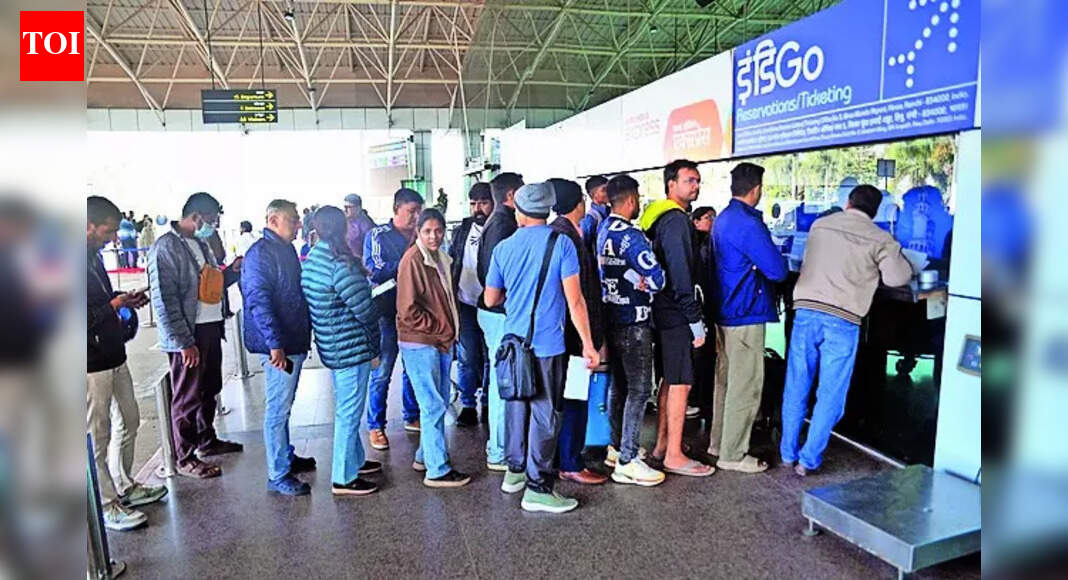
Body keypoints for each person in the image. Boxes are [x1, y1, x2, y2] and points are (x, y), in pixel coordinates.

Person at [484, 182, 600, 514]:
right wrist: (589, 344)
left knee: (516, 406)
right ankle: (538, 488)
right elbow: (575, 301)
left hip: (513, 344)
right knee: (545, 414)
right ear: (547, 210)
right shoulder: (561, 243)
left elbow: (491, 299)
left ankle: (515, 472)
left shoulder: (504, 248)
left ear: (519, 212)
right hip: (548, 344)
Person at [781, 185, 913, 476]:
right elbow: (896, 278)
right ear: (876, 211)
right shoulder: (880, 238)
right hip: (842, 318)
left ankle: (787, 454)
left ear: (848, 202)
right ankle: (807, 461)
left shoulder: (820, 225)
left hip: (806, 311)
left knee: (797, 383)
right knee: (830, 393)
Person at [148, 192, 244, 479]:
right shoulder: (166, 247)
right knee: (187, 395)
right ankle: (184, 456)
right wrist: (183, 342)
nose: (214, 225)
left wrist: (232, 272)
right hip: (188, 334)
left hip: (210, 326)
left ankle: (206, 439)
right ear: (196, 216)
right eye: (212, 219)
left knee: (209, 386)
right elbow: (165, 301)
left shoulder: (201, 243)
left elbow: (210, 284)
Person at [87, 196, 168, 531]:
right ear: (88, 225)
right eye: (107, 231)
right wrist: (112, 305)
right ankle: (106, 505)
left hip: (114, 353)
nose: (113, 239)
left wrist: (124, 300)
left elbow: (98, 301)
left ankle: (124, 484)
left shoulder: (93, 258)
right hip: (90, 363)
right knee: (97, 435)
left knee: (129, 420)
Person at [709, 162, 788, 474]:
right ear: (756, 189)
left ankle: (719, 443)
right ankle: (733, 454)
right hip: (745, 312)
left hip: (725, 310)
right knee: (745, 386)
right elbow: (777, 270)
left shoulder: (723, 218)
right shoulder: (748, 223)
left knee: (726, 382)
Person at [302, 206, 384, 496]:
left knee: (346, 407)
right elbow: (364, 310)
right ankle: (344, 477)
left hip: (332, 344)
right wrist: (376, 340)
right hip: (352, 347)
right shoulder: (341, 265)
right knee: (349, 414)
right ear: (343, 229)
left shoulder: (313, 258)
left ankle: (356, 460)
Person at [639, 159, 713, 477]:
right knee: (681, 381)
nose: (695, 186)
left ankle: (662, 446)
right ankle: (673, 455)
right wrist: (694, 319)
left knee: (670, 379)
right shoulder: (676, 221)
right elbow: (681, 274)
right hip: (676, 312)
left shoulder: (656, 217)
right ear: (671, 184)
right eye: (689, 180)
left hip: (661, 308)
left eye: (697, 180)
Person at [239, 199, 315, 496]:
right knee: (278, 408)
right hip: (278, 344)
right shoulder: (260, 254)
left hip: (290, 339)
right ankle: (278, 472)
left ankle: (285, 455)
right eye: (292, 219)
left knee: (284, 405)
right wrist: (275, 344)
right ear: (273, 221)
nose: (298, 225)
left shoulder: (285, 249)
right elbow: (258, 301)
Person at [597, 174, 667, 486]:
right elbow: (657, 279)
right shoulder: (632, 236)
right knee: (639, 390)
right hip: (635, 320)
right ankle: (628, 460)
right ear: (630, 200)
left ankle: (616, 447)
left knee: (619, 387)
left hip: (611, 315)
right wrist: (642, 280)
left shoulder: (603, 229)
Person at [396, 209, 471, 488]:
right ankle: (437, 469)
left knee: (436, 402)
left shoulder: (439, 256)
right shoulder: (413, 260)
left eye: (438, 230)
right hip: (422, 343)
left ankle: (424, 457)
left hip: (438, 340)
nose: (434, 236)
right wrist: (440, 327)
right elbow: (407, 310)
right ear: (418, 232)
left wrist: (444, 330)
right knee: (432, 405)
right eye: (427, 231)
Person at [548, 178, 608, 486]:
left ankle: (562, 457)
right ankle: (570, 462)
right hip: (574, 336)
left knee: (564, 399)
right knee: (574, 399)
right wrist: (590, 340)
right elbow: (579, 296)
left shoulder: (557, 233)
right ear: (578, 204)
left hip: (562, 334)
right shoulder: (568, 238)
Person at [364, 188, 423, 450]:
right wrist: (409, 261)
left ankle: (412, 415)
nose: (416, 217)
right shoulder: (378, 235)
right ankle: (376, 425)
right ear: (396, 209)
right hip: (386, 312)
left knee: (413, 368)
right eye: (411, 211)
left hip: (415, 312)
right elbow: (375, 270)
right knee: (383, 371)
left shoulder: (423, 234)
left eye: (419, 211)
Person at [476, 172, 523, 472]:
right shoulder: (503, 224)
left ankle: (500, 445)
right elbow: (494, 275)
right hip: (498, 312)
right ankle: (499, 449)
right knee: (503, 380)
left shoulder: (496, 221)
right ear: (511, 195)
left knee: (502, 378)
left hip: (492, 311)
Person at [448, 182, 493, 427]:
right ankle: (467, 404)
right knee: (467, 356)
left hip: (491, 304)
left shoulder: (499, 228)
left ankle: (487, 402)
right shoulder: (462, 230)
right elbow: (452, 261)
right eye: (474, 203)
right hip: (464, 302)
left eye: (483, 203)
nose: (478, 208)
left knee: (489, 356)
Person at [690, 206, 718, 421]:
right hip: (702, 306)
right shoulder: (702, 245)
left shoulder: (710, 243)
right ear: (696, 222)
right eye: (708, 218)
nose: (712, 221)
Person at [578, 175, 609, 252]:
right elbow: (585, 246)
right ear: (593, 194)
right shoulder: (591, 218)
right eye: (603, 190)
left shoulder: (611, 211)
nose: (608, 193)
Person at [343, 193, 376, 259]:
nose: (345, 210)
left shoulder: (366, 225)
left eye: (348, 207)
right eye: (344, 207)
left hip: (358, 261)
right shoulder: (344, 221)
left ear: (358, 208)